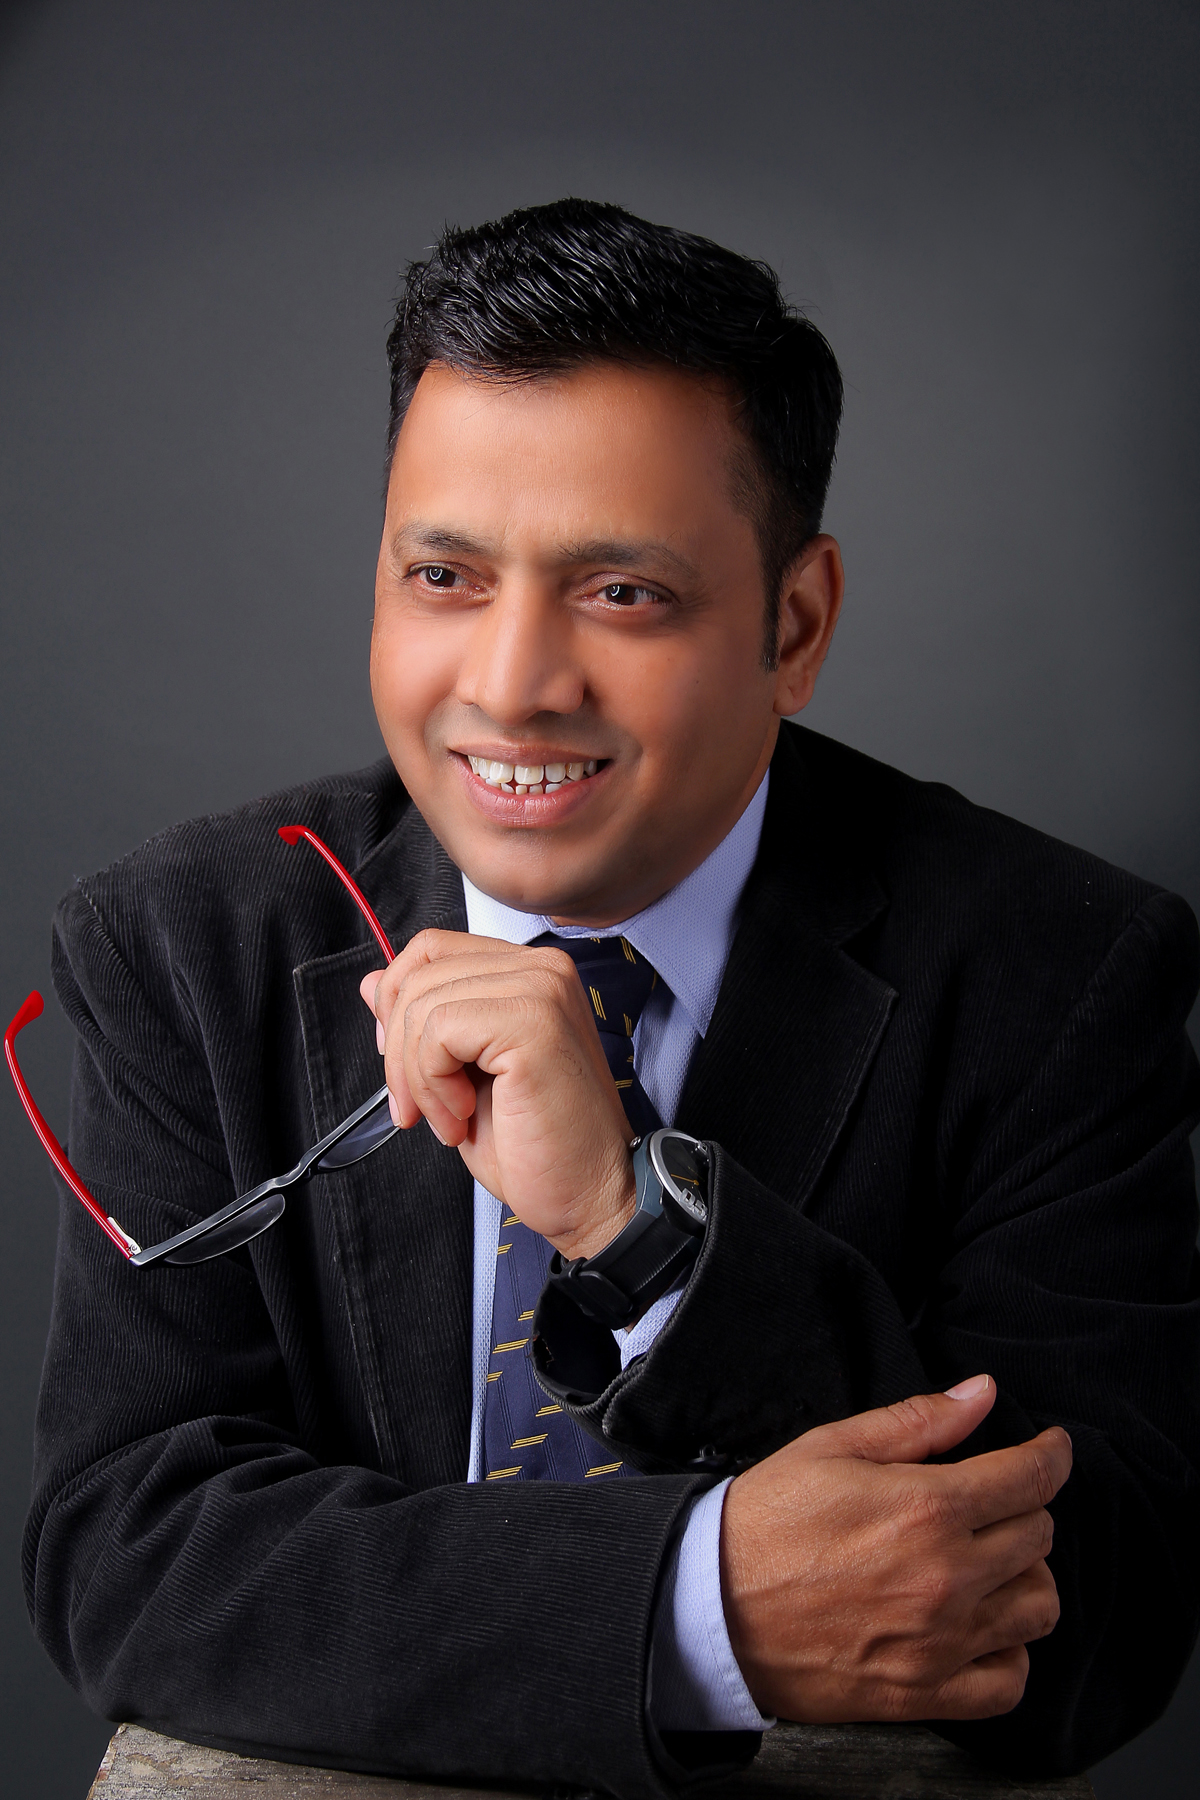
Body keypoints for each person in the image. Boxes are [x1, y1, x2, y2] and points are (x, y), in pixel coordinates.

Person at [22, 200, 1200, 1795]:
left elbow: (1100, 1619)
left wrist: (643, 1229)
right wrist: (695, 1608)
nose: (512, 684)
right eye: (444, 574)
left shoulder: (1057, 968)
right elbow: (129, 1551)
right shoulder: (181, 942)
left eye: (623, 593)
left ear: (794, 625)